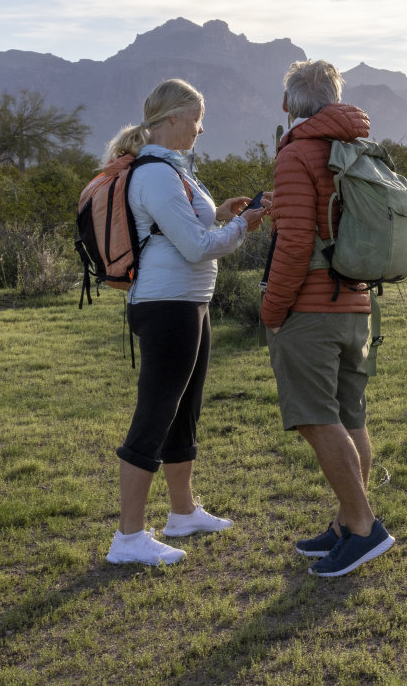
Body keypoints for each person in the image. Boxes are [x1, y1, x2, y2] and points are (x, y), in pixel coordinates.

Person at [105, 78, 269, 566]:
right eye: (197, 118)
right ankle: (128, 538)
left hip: (189, 301)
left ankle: (183, 513)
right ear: (173, 118)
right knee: (155, 414)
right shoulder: (156, 173)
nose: (201, 128)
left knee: (183, 411)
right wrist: (242, 225)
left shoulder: (173, 168)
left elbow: (180, 227)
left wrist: (220, 213)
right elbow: (196, 247)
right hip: (167, 304)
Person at [261, 59, 395, 577]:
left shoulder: (297, 153)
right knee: (348, 417)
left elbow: (296, 244)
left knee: (317, 419)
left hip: (310, 310)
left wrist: (273, 308)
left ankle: (363, 527)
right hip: (356, 305)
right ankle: (345, 522)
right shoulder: (356, 147)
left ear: (288, 104)